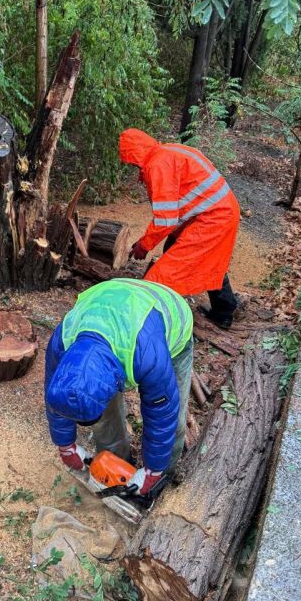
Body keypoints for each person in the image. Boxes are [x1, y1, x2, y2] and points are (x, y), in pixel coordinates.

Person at [46, 278, 193, 497]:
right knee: (105, 420)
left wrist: (154, 469)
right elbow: (56, 397)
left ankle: (161, 481)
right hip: (113, 307)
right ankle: (116, 468)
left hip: (168, 323)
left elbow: (161, 414)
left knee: (176, 423)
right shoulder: (63, 342)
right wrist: (65, 445)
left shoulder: (149, 356)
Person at [119, 128, 241, 329]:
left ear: (135, 154)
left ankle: (145, 319)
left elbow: (166, 219)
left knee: (164, 274)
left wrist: (144, 245)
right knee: (191, 255)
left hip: (212, 218)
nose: (133, 166)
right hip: (215, 212)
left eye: (131, 162)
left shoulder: (157, 165)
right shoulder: (167, 152)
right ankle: (224, 310)